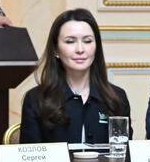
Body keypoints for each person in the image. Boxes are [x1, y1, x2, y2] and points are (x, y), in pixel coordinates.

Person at [20, 8, 131, 143]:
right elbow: (31, 154)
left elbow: (125, 153)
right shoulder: (36, 99)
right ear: (55, 50)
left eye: (87, 41)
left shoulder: (117, 98)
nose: (80, 49)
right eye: (70, 41)